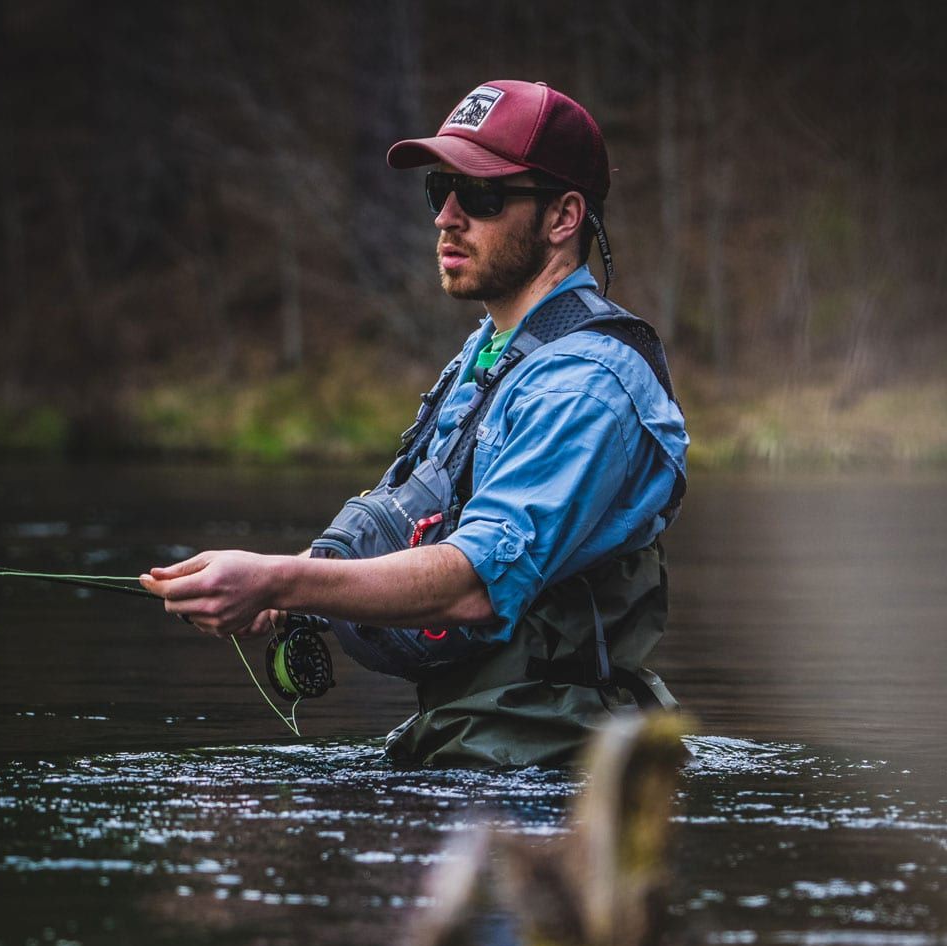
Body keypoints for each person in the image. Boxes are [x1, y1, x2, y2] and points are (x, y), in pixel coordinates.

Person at [140, 80, 688, 768]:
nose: (447, 217)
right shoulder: (494, 350)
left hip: (556, 758)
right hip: (482, 734)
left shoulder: (585, 386)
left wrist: (279, 580)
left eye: (481, 196)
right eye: (440, 190)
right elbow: (422, 520)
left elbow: (474, 583)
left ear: (563, 217)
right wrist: (289, 588)